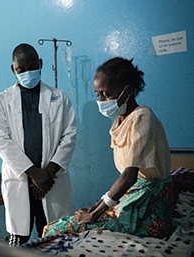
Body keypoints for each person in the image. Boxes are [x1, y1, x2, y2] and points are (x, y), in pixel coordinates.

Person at [44, 57, 174, 239]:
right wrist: (98, 206)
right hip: (134, 194)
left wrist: (95, 214)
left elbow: (129, 176)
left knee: (58, 229)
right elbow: (127, 181)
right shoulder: (120, 121)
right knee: (59, 225)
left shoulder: (143, 118)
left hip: (150, 202)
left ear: (127, 91)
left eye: (105, 94)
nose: (100, 99)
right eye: (97, 94)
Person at [0, 43, 77, 246]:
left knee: (54, 237)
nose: (27, 73)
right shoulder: (2, 100)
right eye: (21, 69)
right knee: (18, 239)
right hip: (21, 179)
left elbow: (69, 135)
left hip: (51, 182)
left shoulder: (59, 97)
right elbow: (1, 140)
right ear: (13, 70)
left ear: (40, 64)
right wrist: (34, 173)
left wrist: (47, 174)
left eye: (32, 67)